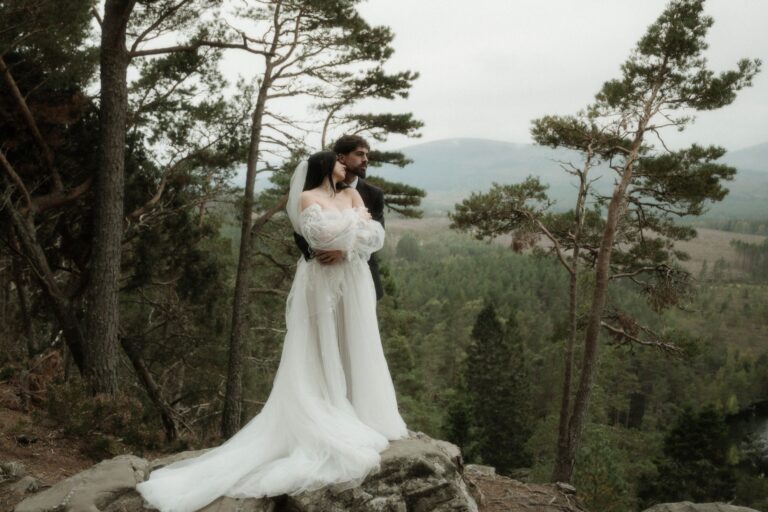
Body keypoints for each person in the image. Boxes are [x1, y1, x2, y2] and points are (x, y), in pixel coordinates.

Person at [136, 150, 408, 512]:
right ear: (327, 168)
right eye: (341, 163)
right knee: (321, 342)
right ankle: (328, 407)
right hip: (322, 282)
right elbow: (318, 237)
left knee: (357, 342)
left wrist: (349, 240)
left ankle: (361, 409)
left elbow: (375, 237)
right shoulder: (307, 198)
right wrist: (353, 228)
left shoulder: (352, 194)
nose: (347, 167)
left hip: (352, 278)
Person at [294, 135, 385, 300]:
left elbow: (374, 234)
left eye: (366, 155)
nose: (365, 160)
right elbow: (300, 232)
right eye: (359, 154)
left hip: (358, 276)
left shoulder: (374, 194)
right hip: (321, 272)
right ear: (340, 159)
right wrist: (322, 253)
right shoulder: (309, 195)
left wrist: (343, 251)